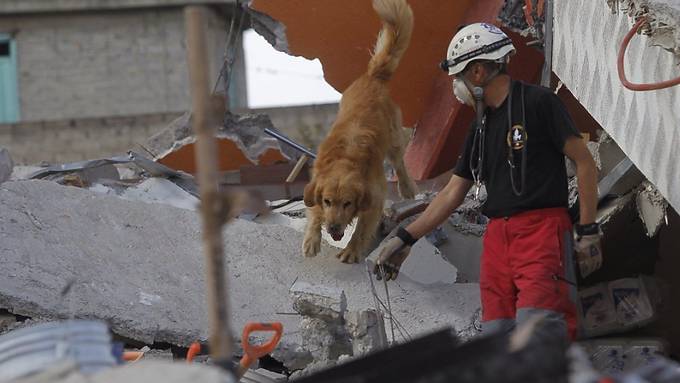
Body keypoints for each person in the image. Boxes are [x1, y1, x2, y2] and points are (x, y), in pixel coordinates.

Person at [373, 23, 602, 340]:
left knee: (541, 331)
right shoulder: (479, 127)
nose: (456, 85)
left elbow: (584, 161)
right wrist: (406, 237)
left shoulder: (539, 103)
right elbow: (453, 192)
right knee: (497, 338)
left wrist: (588, 230)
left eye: (458, 75)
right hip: (497, 240)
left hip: (542, 233)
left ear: (478, 72)